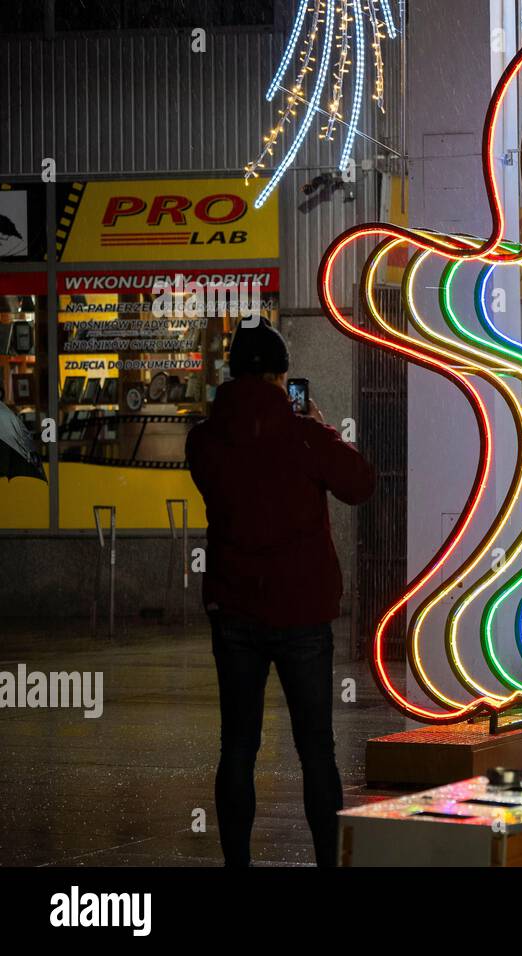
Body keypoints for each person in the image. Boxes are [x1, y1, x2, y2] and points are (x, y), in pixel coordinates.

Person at [186, 320, 375, 866]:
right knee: (316, 748)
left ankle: (237, 863)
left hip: (235, 610)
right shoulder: (304, 435)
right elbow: (360, 483)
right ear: (278, 375)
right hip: (302, 612)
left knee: (238, 747)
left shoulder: (204, 440)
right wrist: (324, 431)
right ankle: (326, 861)